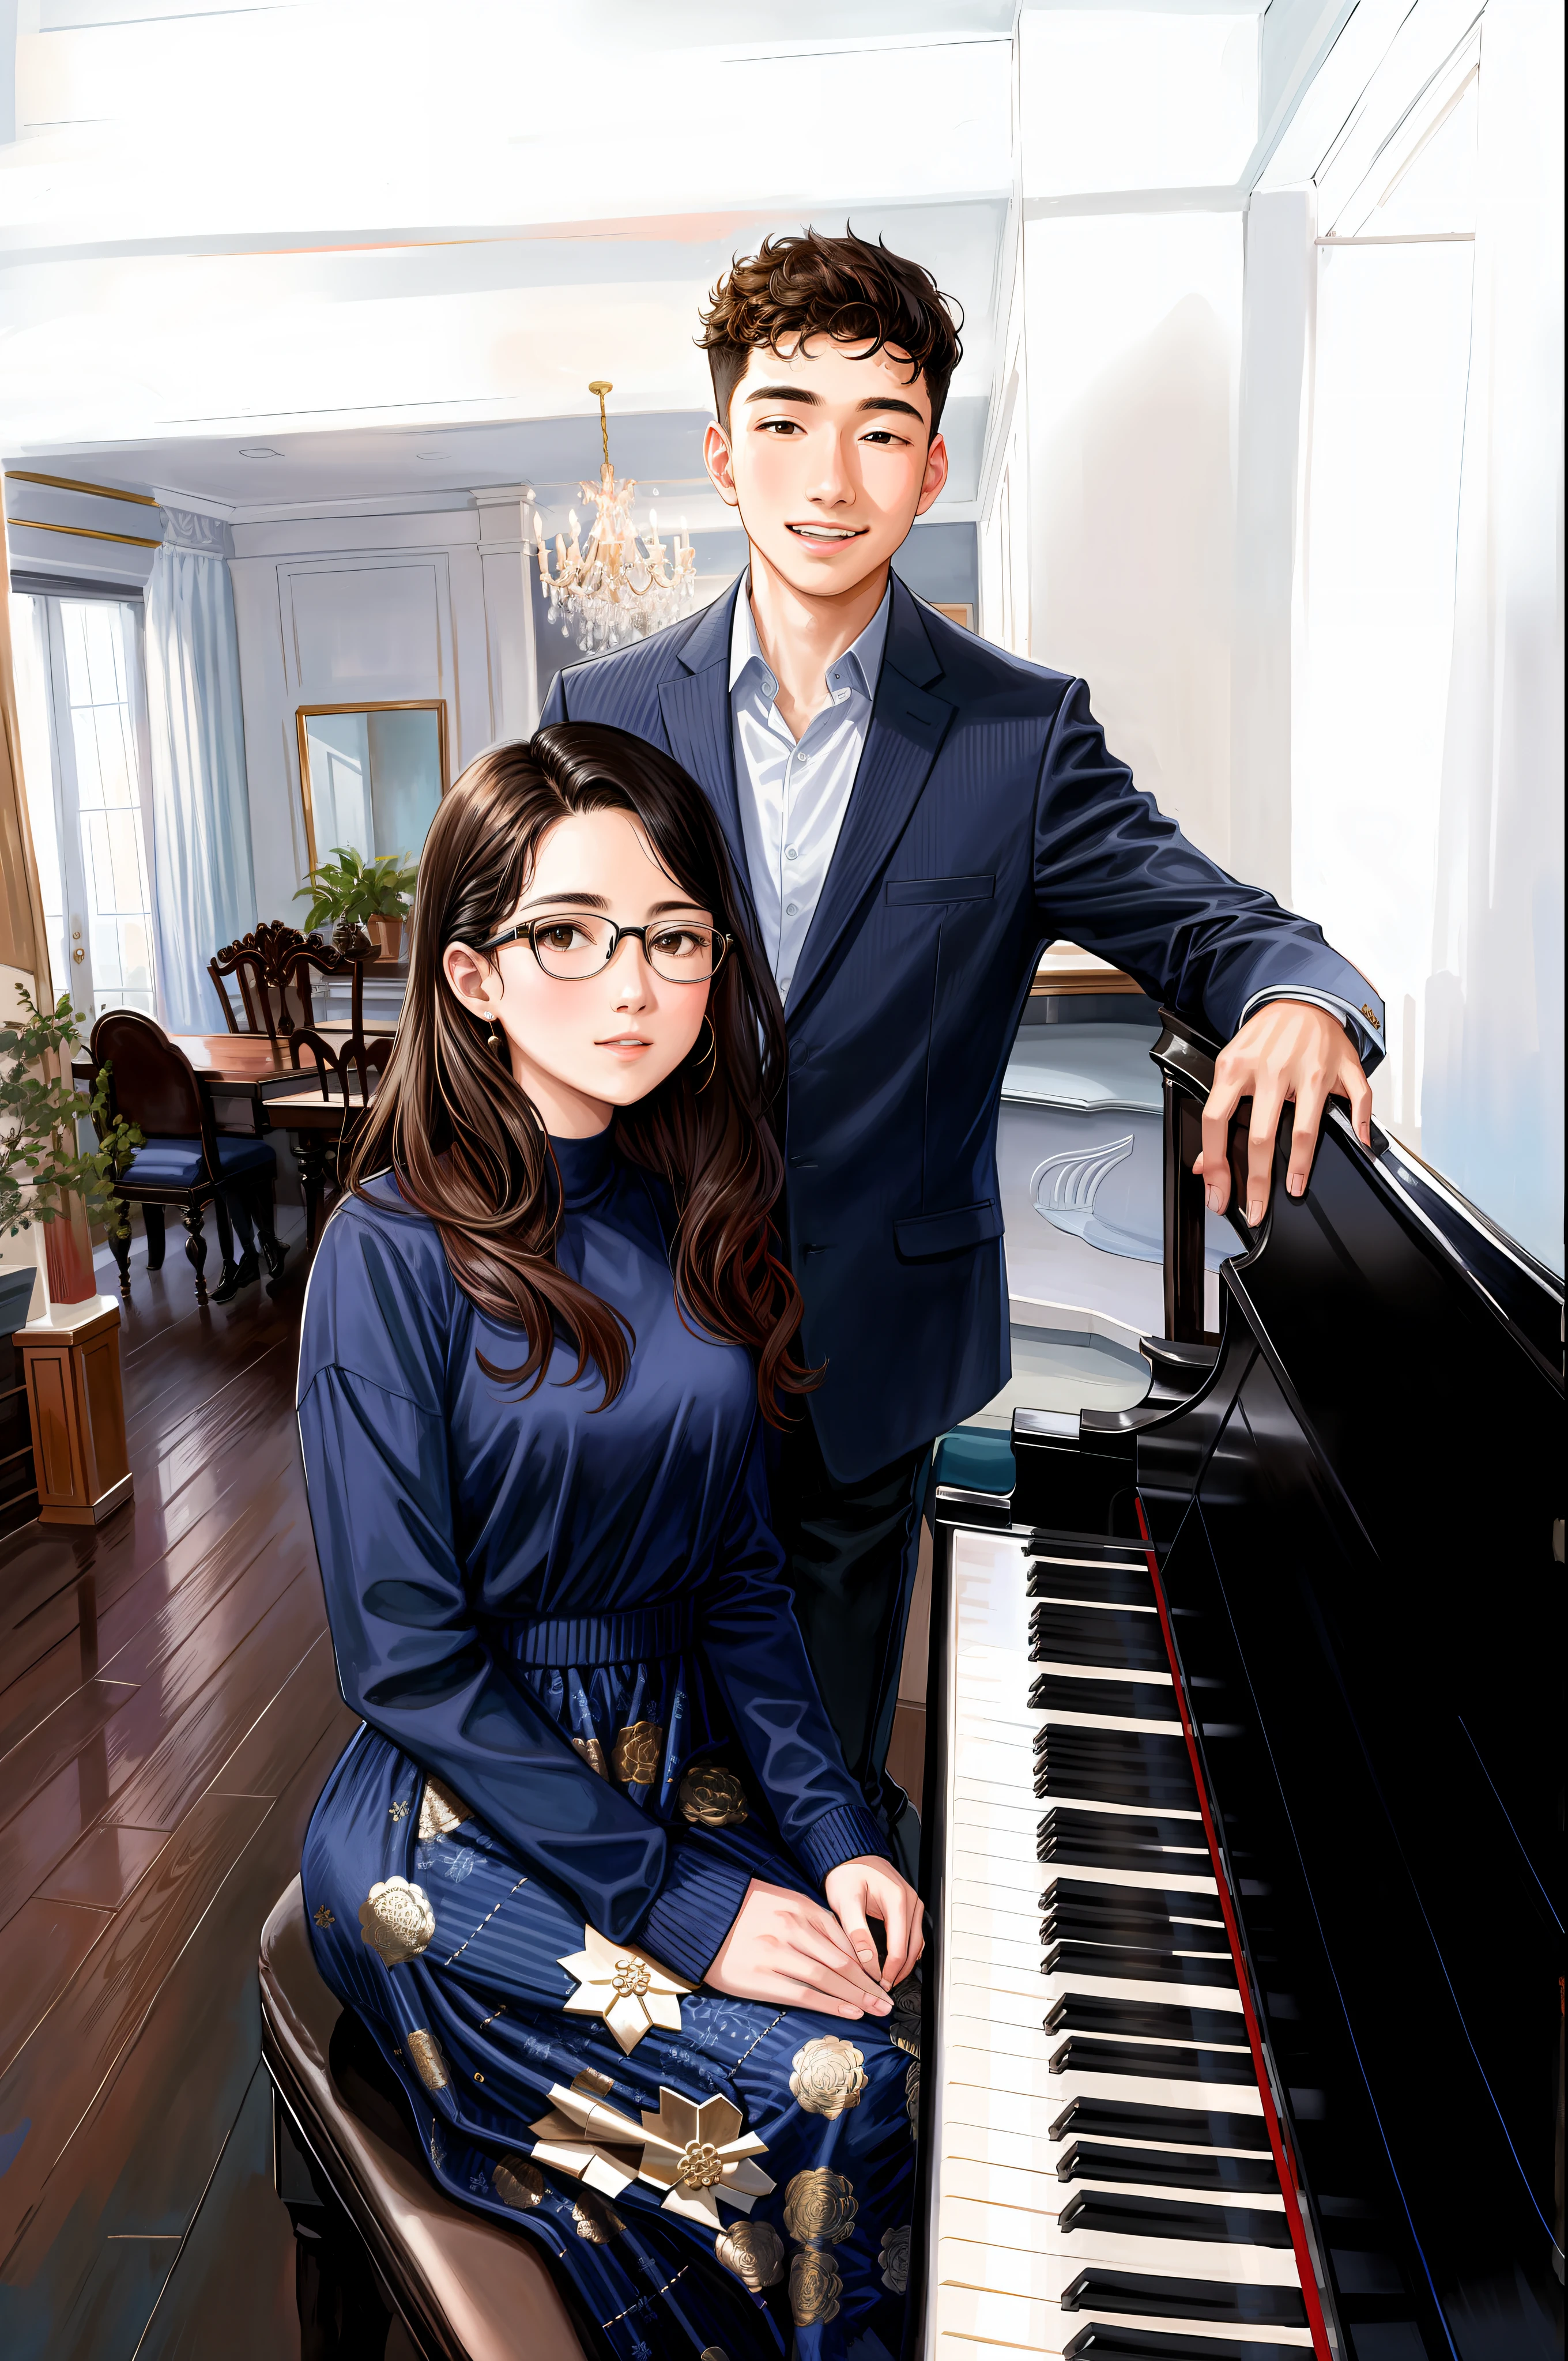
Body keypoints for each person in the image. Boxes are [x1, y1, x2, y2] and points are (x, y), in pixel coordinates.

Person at [540, 227, 1385, 1876]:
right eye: (786, 418)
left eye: (880, 426)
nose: (829, 472)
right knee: (630, 1746)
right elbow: (546, 999)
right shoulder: (602, 712)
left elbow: (1228, 929)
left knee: (825, 1776)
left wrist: (1305, 999)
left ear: (932, 466)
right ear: (723, 453)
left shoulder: (1018, 733)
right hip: (634, 1333)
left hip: (876, 1353)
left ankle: (821, 2068)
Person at [299, 724, 925, 2361]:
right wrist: (683, 1906)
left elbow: (734, 1579)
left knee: (898, 1934)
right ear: (477, 977)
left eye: (673, 938)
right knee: (833, 2087)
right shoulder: (386, 1253)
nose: (630, 985)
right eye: (567, 934)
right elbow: (405, 1659)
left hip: (682, 1744)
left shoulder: (709, 1203)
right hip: (460, 1805)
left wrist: (831, 1822)